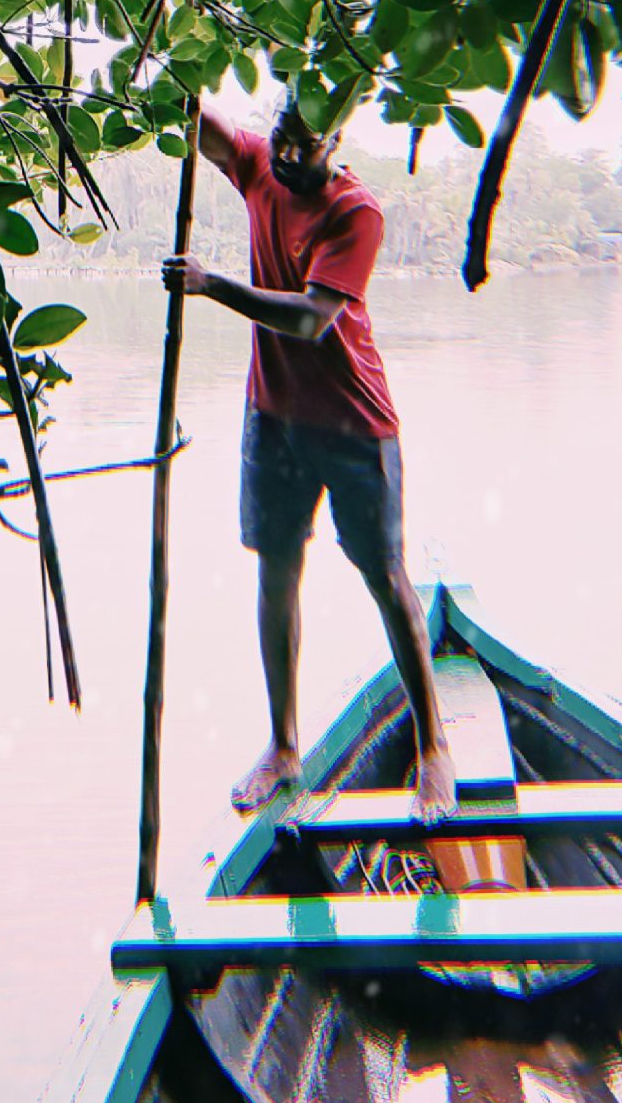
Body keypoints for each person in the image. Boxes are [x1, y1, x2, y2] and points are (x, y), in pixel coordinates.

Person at [160, 94, 456, 821]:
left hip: (354, 426)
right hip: (274, 418)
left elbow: (311, 320)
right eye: (283, 138)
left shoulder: (357, 212)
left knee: (386, 579)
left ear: (337, 141)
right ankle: (284, 746)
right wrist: (177, 71)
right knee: (277, 570)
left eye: (306, 145)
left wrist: (212, 285)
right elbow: (206, 129)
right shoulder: (262, 167)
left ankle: (435, 746)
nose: (289, 156)